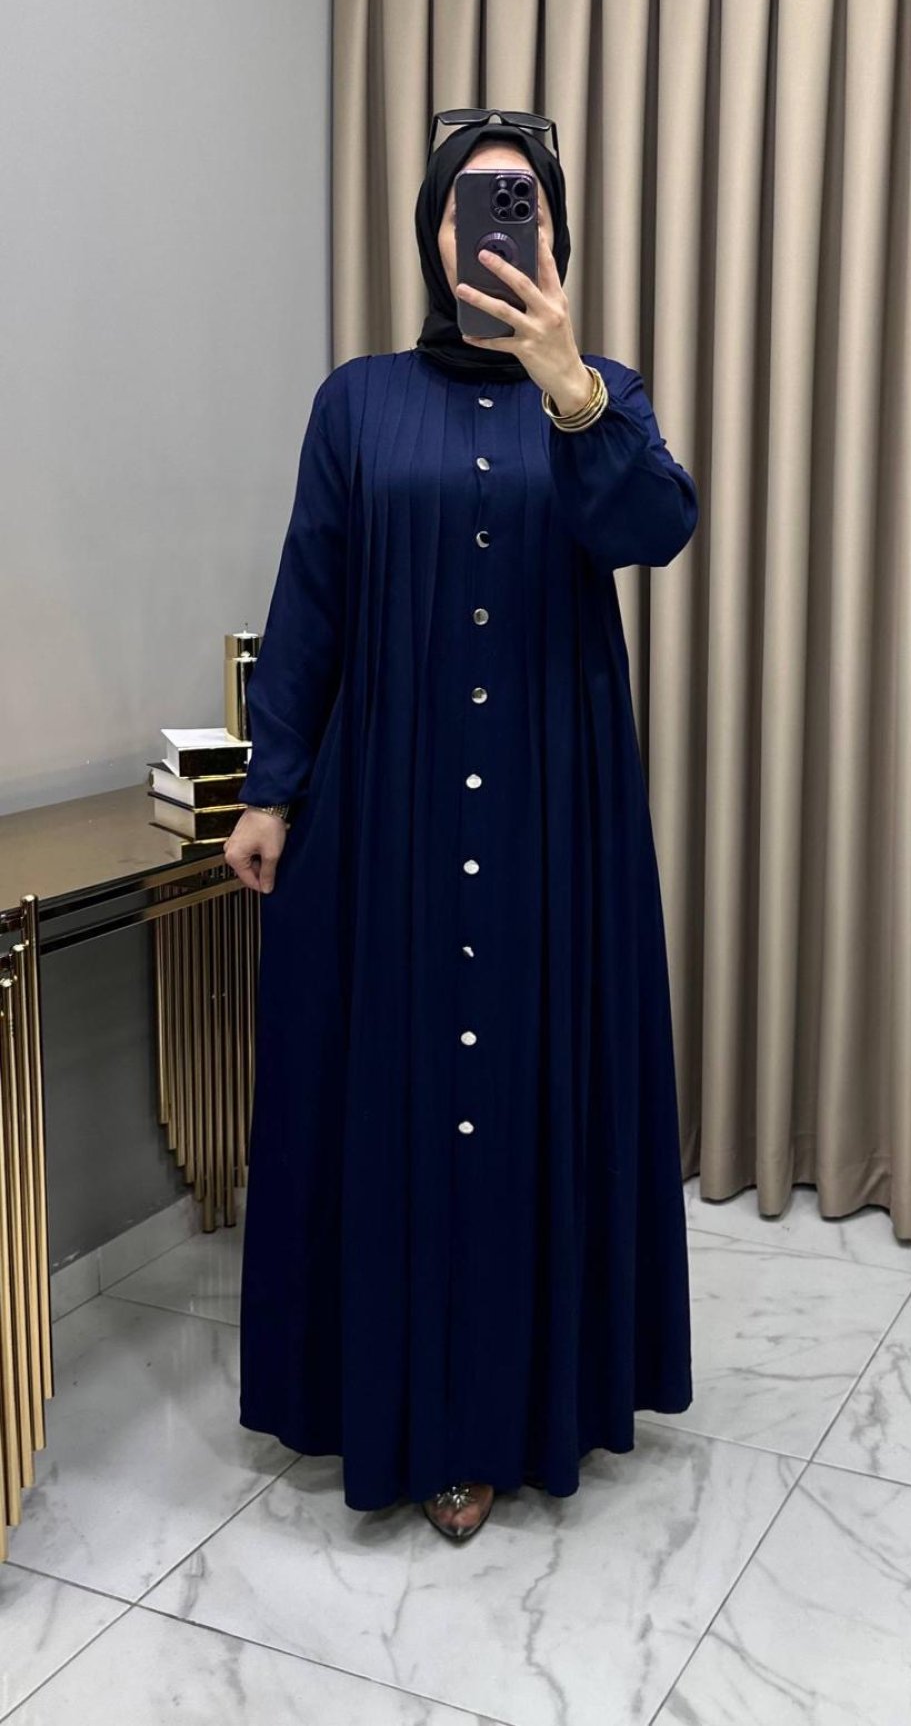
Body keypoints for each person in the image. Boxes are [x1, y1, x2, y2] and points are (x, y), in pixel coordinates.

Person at [225, 111, 698, 1544]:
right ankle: (400, 1401)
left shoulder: (601, 392)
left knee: (527, 1091)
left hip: (553, 811)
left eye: (523, 199)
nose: (497, 222)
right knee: (398, 1091)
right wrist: (269, 786)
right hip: (389, 809)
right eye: (471, 202)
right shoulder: (357, 402)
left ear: (554, 232)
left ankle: (518, 1405)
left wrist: (572, 391)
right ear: (435, 236)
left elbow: (653, 528)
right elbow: (311, 593)